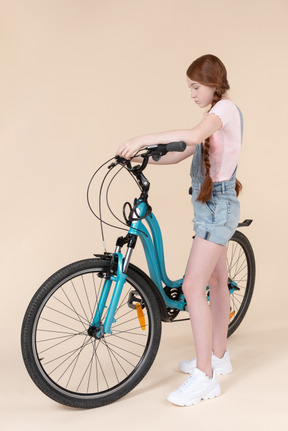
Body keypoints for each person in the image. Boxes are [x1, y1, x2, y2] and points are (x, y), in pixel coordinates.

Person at [117, 54, 242, 406]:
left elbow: (191, 135)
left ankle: (205, 377)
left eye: (195, 86)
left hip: (219, 209)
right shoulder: (211, 118)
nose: (191, 93)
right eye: (189, 87)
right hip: (207, 209)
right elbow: (184, 150)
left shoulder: (226, 110)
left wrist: (142, 138)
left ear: (214, 84)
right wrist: (142, 159)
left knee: (192, 285)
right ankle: (218, 356)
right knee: (216, 282)